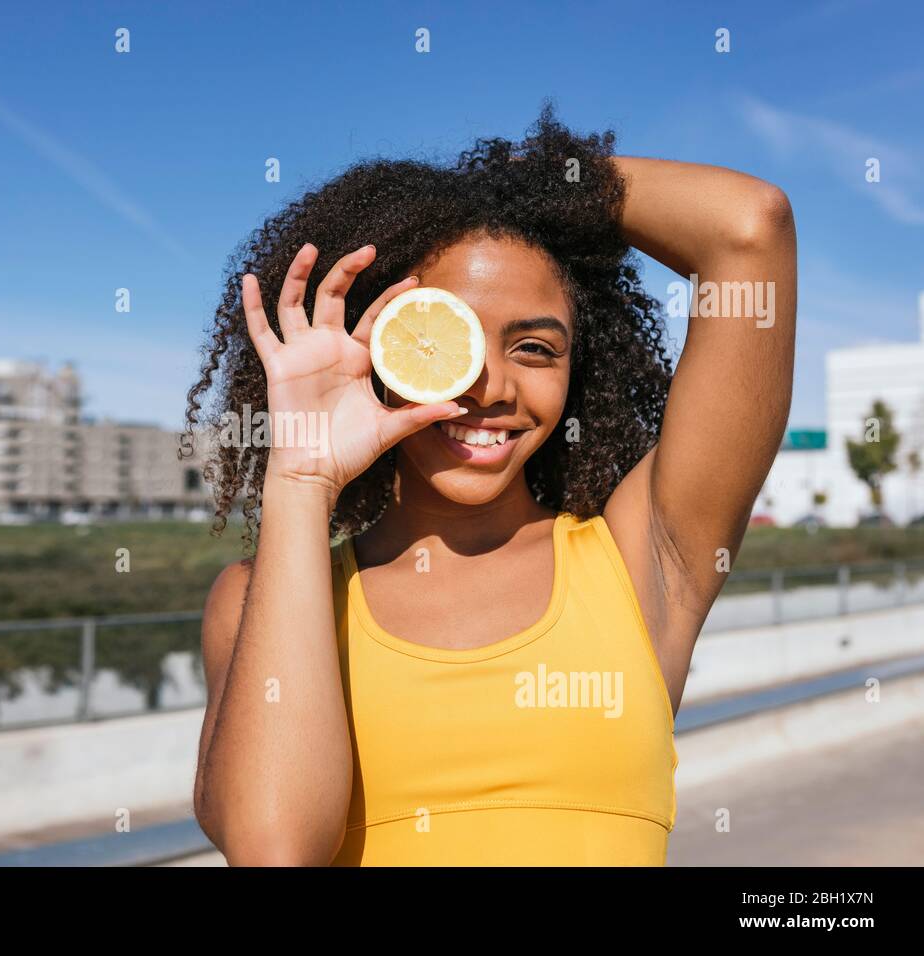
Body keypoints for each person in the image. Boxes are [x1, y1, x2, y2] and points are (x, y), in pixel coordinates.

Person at [184, 107, 796, 866]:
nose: (492, 387)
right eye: (448, 340)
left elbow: (749, 228)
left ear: (579, 376)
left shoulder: (646, 560)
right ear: (375, 351)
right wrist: (303, 477)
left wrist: (521, 186)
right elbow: (275, 850)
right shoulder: (256, 600)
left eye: (535, 347)